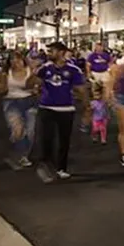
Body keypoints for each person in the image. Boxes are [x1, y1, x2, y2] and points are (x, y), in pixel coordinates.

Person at [35, 42, 87, 182]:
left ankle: (61, 168)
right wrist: (34, 71)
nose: (49, 53)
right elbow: (34, 83)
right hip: (47, 107)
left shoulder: (73, 70)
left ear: (61, 52)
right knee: (47, 138)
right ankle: (46, 167)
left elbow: (81, 89)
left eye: (52, 51)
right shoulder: (44, 68)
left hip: (66, 108)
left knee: (64, 140)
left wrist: (87, 106)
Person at [0, 50, 38, 169]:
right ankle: (19, 152)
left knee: (30, 131)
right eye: (12, 60)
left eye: (18, 59)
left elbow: (35, 85)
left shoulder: (30, 71)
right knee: (18, 130)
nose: (15, 62)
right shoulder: (6, 73)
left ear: (23, 60)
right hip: (11, 102)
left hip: (29, 101)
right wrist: (2, 86)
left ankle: (24, 155)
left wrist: (35, 86)